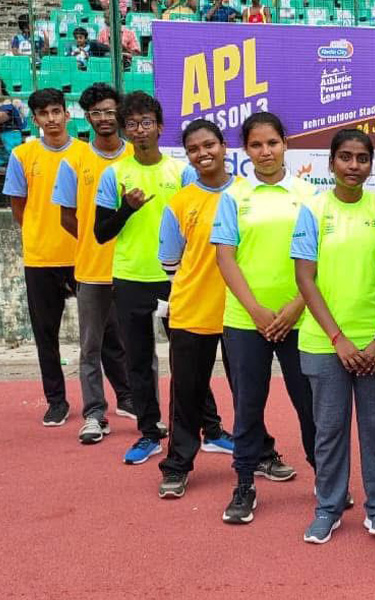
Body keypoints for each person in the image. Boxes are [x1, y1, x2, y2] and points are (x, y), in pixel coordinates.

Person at [212, 112, 318, 525]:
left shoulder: (309, 195)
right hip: (246, 321)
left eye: (272, 143)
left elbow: (319, 259)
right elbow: (225, 258)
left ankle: (326, 480)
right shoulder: (234, 197)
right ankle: (244, 483)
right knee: (248, 406)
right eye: (256, 145)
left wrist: (297, 305)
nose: (265, 152)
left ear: (285, 143)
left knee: (310, 406)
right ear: (246, 150)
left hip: (301, 319)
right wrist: (256, 310)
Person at [293, 129, 375, 544]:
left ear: (371, 164)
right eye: (346, 157)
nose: (354, 166)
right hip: (325, 344)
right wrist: (338, 339)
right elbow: (305, 279)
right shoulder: (313, 210)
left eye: (362, 158)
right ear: (331, 162)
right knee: (329, 430)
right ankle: (328, 508)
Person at [94, 92, 196, 464]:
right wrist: (126, 208)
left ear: (160, 127)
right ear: (125, 130)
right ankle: (149, 433)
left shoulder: (181, 173)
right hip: (130, 278)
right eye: (133, 124)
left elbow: (195, 227)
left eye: (147, 122)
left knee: (188, 359)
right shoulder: (114, 174)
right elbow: (101, 233)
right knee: (137, 361)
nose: (140, 130)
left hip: (175, 279)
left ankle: (207, 428)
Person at [155, 120, 241, 498]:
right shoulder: (180, 202)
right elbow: (169, 261)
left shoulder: (247, 193)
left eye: (209, 145)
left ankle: (260, 453)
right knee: (186, 394)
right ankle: (177, 465)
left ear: (224, 146)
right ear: (188, 156)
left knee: (248, 393)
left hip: (241, 312)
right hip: (192, 311)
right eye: (194, 149)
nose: (203, 153)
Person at [51, 83, 133, 444]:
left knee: (140, 346)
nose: (104, 118)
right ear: (86, 117)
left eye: (110, 111)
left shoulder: (138, 157)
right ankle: (95, 414)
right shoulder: (74, 162)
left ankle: (146, 410)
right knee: (90, 347)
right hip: (91, 269)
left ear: (121, 113)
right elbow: (67, 217)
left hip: (134, 270)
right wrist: (92, 241)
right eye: (96, 112)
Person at [2, 88, 81, 427]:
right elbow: (18, 207)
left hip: (83, 256)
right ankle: (56, 401)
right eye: (44, 114)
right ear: (35, 119)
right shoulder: (22, 155)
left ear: (67, 114)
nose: (51, 119)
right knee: (45, 335)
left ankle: (123, 396)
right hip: (40, 258)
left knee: (108, 333)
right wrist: (39, 232)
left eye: (56, 111)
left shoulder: (84, 153)